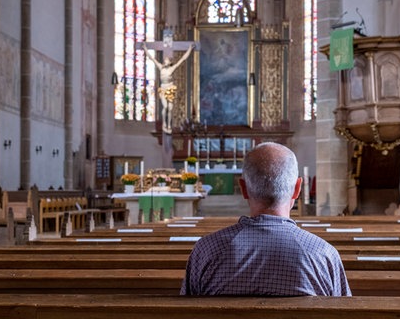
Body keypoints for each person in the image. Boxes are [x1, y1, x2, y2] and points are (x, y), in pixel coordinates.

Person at [180, 142, 351, 296]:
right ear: (297, 189)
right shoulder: (323, 255)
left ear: (244, 188)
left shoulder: (206, 250)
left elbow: (184, 311)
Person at [143, 42, 195, 134]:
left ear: (170, 62)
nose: (165, 61)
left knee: (170, 108)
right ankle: (164, 124)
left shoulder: (172, 68)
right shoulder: (160, 67)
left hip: (170, 88)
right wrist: (145, 48)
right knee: (165, 106)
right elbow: (151, 58)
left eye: (167, 60)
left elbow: (183, 59)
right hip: (163, 88)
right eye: (165, 60)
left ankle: (169, 125)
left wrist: (190, 49)